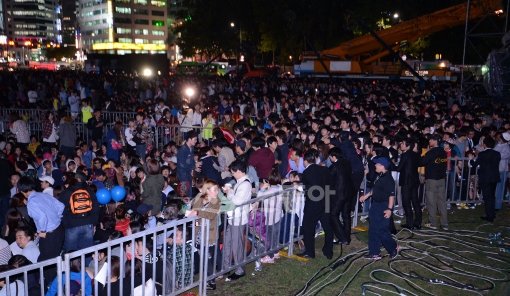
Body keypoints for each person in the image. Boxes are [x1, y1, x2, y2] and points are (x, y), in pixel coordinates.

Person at [359, 157, 398, 260]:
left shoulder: (388, 179)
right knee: (373, 229)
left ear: (382, 166)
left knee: (382, 229)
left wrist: (389, 209)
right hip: (376, 205)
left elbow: (391, 195)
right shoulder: (380, 175)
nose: (375, 166)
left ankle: (393, 247)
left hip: (383, 206)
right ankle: (374, 252)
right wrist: (366, 196)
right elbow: (375, 190)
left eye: (377, 164)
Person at [18, 177, 65, 261]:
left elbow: (42, 217)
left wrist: (42, 231)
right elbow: (61, 206)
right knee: (55, 258)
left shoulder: (31, 203)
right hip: (59, 229)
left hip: (49, 234)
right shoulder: (43, 194)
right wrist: (55, 218)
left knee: (46, 263)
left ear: (22, 192)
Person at [298, 149, 334, 260]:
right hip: (326, 201)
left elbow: (309, 189)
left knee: (308, 228)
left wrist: (299, 188)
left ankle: (310, 252)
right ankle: (328, 251)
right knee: (328, 227)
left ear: (305, 161)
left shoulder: (306, 172)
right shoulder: (325, 169)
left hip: (313, 203)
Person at [222, 160, 251, 281]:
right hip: (234, 218)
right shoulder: (240, 182)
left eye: (233, 172)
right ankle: (225, 267)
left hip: (238, 219)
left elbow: (236, 201)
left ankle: (240, 270)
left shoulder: (245, 184)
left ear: (239, 171)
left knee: (236, 245)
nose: (232, 174)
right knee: (228, 242)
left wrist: (229, 192)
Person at [189, 180, 221, 290]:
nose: (217, 192)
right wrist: (194, 214)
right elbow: (193, 209)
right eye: (215, 189)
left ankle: (211, 282)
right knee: (204, 257)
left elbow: (210, 215)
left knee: (207, 257)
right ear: (207, 190)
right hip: (199, 233)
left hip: (209, 234)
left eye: (217, 189)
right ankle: (209, 279)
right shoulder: (200, 198)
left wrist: (197, 213)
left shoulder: (216, 201)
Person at [469, 136, 501, 222]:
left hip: (485, 177)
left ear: (484, 144)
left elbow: (475, 165)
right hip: (494, 177)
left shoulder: (482, 154)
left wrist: (471, 160)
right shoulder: (497, 154)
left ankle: (489, 216)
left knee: (487, 197)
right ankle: (492, 214)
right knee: (492, 196)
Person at [421, 134, 448, 230]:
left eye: (430, 140)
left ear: (435, 141)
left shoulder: (431, 152)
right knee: (442, 202)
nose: (429, 142)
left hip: (432, 179)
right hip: (441, 179)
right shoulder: (443, 152)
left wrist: (426, 153)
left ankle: (433, 223)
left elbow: (422, 161)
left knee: (431, 202)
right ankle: (444, 224)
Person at [328, 147, 354, 245]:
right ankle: (347, 237)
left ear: (334, 157)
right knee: (346, 216)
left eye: (330, 157)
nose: (330, 159)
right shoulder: (347, 162)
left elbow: (329, 180)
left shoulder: (334, 166)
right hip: (349, 193)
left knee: (333, 215)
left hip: (339, 194)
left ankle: (343, 237)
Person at [397, 138, 422, 230]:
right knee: (415, 202)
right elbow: (420, 163)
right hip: (414, 181)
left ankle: (410, 223)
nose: (401, 145)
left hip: (407, 182)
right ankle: (418, 223)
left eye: (403, 143)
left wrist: (390, 166)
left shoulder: (405, 155)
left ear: (407, 146)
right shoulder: (415, 154)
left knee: (406, 202)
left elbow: (399, 168)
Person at [176, 131, 200, 197]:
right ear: (189, 139)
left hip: (188, 174)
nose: (196, 141)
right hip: (183, 176)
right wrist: (194, 166)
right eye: (195, 139)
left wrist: (194, 168)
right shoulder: (182, 150)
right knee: (184, 195)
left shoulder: (191, 148)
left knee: (189, 194)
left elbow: (191, 160)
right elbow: (182, 164)